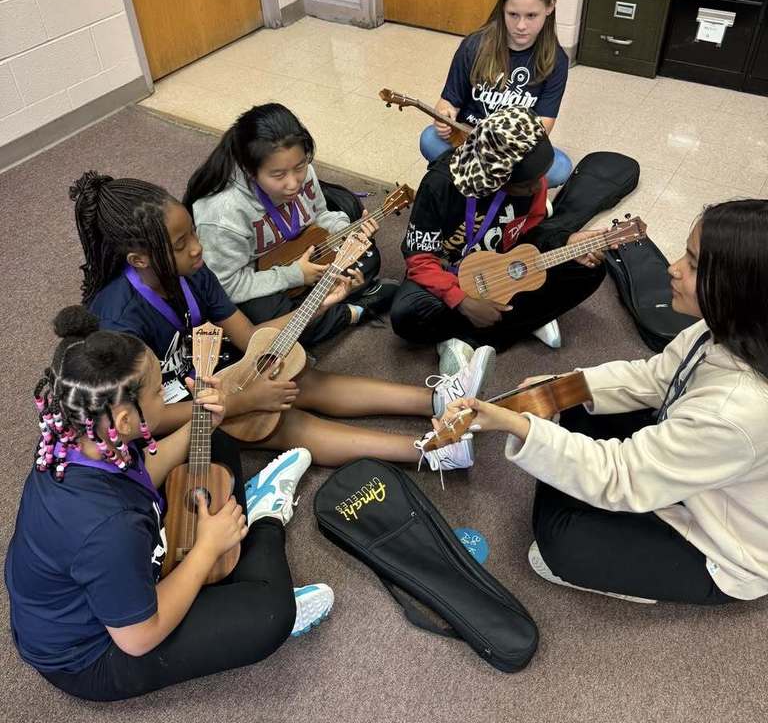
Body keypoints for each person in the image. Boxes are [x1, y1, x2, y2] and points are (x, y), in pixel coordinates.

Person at [439, 199, 768, 606]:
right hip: (705, 475)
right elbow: (654, 376)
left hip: (726, 550)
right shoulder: (725, 328)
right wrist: (563, 386)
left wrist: (519, 427)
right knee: (573, 400)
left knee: (560, 541)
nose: (673, 267)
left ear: (740, 287)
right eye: (685, 252)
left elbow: (620, 476)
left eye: (694, 264)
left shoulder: (736, 412)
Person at [4, 307, 332, 701]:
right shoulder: (110, 529)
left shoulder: (74, 440)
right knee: (271, 615)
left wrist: (203, 423)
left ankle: (231, 544)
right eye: (160, 391)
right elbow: (139, 638)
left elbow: (139, 472)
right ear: (124, 420)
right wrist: (208, 546)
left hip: (117, 566)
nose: (167, 396)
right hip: (95, 654)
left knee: (213, 441)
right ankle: (266, 519)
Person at [70, 171, 495, 472]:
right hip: (157, 414)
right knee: (279, 418)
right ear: (139, 260)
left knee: (295, 375)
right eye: (182, 245)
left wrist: (319, 302)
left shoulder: (191, 272)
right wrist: (241, 402)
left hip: (204, 378)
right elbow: (147, 417)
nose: (199, 250)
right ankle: (430, 451)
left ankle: (437, 400)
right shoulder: (118, 324)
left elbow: (252, 337)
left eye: (194, 234)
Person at [390, 105, 605, 357]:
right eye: (527, 183)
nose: (538, 186)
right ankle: (523, 320)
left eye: (540, 177)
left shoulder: (535, 183)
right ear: (498, 176)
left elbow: (533, 234)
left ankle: (467, 340)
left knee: (590, 269)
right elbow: (420, 259)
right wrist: (461, 301)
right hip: (452, 272)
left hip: (507, 269)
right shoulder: (440, 184)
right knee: (406, 316)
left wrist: (567, 242)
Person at [184, 103, 396, 347]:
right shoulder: (222, 214)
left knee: (368, 255)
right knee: (266, 331)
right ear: (250, 170)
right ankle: (350, 311)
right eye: (278, 175)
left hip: (300, 256)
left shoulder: (304, 173)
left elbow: (319, 215)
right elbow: (226, 286)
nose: (293, 183)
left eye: (300, 167)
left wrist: (344, 231)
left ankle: (329, 304)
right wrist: (294, 275)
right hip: (257, 281)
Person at [419, 0, 572, 188]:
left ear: (550, 7)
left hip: (513, 151)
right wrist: (444, 118)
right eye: (513, 14)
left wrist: (498, 151)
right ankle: (498, 186)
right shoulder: (474, 45)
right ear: (502, 7)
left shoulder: (556, 60)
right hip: (468, 140)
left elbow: (542, 128)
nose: (521, 26)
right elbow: (448, 102)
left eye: (531, 16)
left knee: (560, 167)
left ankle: (475, 181)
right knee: (430, 138)